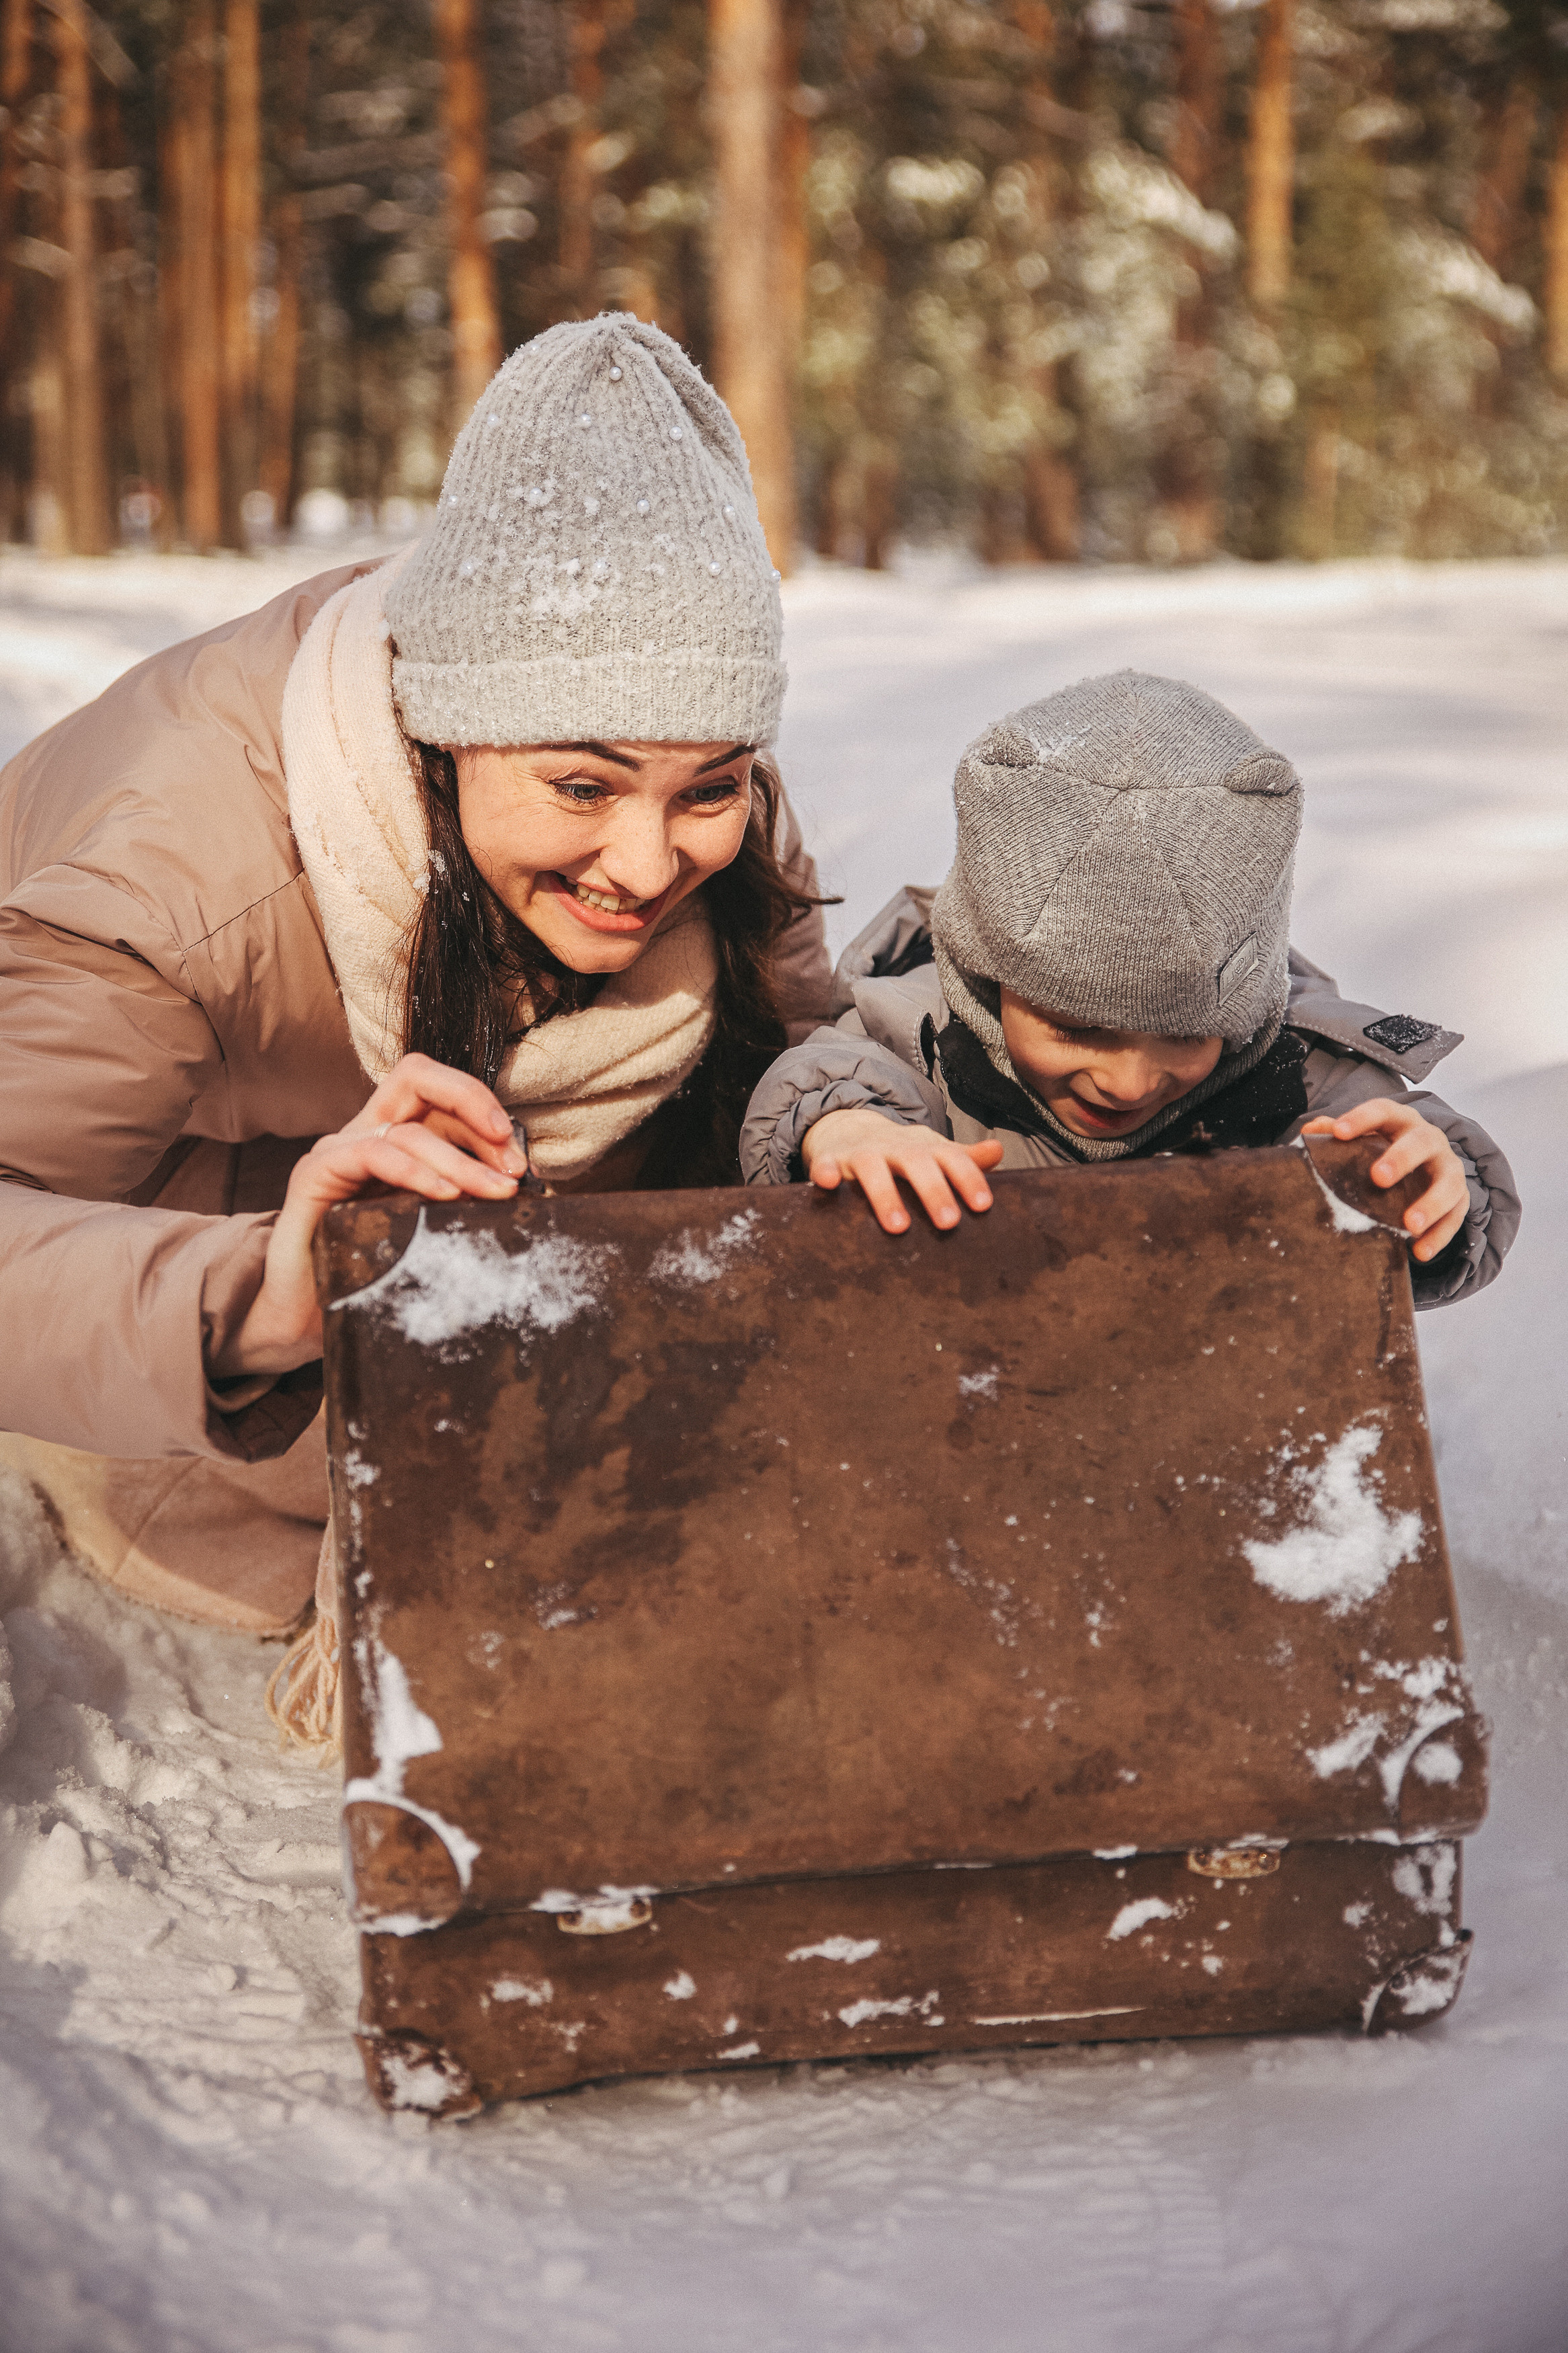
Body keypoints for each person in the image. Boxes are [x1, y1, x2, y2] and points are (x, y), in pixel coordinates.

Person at [0, 316, 830, 1739]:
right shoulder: (174, 879)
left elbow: (804, 1032)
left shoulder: (696, 785)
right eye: (580, 789)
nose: (645, 861)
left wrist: (852, 1118)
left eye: (705, 789)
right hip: (191, 1251)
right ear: (447, 736)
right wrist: (258, 1297)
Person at [740, 670, 1518, 1308]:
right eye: (1076, 1027)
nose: (1127, 1079)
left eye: (1182, 1031)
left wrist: (1424, 1184)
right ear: (988, 978)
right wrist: (849, 1131)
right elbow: (835, 1074)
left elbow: (1395, 1133)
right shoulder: (920, 1036)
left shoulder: (1289, 1070)